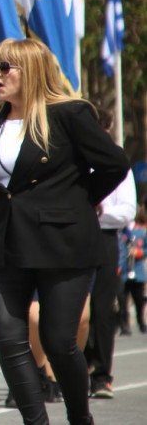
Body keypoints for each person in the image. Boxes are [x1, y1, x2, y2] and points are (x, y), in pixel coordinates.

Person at [0, 38, 129, 425]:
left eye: (6, 67)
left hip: (62, 244)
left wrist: (77, 201)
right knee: (7, 337)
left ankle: (79, 417)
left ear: (30, 71)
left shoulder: (68, 114)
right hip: (4, 247)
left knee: (57, 341)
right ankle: (35, 422)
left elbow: (114, 163)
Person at [83, 109, 137, 399]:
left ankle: (102, 375)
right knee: (76, 311)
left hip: (104, 240)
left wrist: (98, 212)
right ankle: (77, 364)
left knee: (103, 310)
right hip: (73, 240)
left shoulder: (116, 160)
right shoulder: (74, 158)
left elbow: (127, 210)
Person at [118, 204, 147, 335]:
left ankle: (141, 322)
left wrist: (139, 252)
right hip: (123, 271)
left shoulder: (141, 231)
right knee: (122, 301)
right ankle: (124, 325)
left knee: (139, 300)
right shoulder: (119, 232)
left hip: (137, 271)